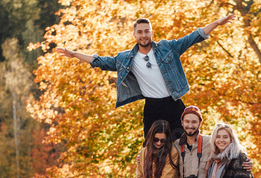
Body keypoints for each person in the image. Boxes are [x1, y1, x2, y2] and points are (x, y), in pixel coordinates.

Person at [56, 15, 235, 141]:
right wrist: (73, 54)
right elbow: (100, 62)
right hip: (152, 107)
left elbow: (193, 37)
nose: (143, 35)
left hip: (174, 103)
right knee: (152, 147)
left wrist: (217, 23)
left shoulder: (168, 48)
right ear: (134, 35)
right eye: (140, 32)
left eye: (146, 31)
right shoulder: (126, 58)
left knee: (188, 142)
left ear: (151, 33)